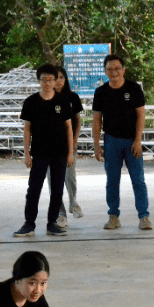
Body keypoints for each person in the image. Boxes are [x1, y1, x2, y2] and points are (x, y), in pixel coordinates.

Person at [93, 55, 152, 231]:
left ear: (123, 69)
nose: (114, 72)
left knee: (138, 180)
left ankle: (144, 216)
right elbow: (96, 120)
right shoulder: (101, 92)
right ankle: (113, 216)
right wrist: (96, 145)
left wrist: (138, 140)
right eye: (110, 69)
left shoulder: (133, 89)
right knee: (112, 181)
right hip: (111, 141)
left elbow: (141, 115)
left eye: (117, 68)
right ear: (105, 72)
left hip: (132, 142)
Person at [15, 64, 75, 237]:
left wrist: (70, 153)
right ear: (39, 80)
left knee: (57, 189)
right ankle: (29, 224)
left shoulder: (63, 101)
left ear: (56, 81)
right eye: (44, 80)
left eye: (51, 80)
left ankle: (52, 223)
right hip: (39, 153)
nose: (48, 83)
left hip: (60, 153)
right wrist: (26, 153)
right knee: (34, 189)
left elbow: (69, 128)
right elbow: (27, 129)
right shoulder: (31, 102)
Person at [54, 65, 85, 226]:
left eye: (61, 77)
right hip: (49, 147)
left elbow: (77, 121)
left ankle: (74, 203)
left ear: (65, 79)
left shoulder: (72, 97)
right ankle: (61, 213)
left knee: (69, 177)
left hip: (68, 145)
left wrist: (74, 142)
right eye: (54, 77)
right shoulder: (44, 98)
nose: (58, 81)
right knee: (54, 181)